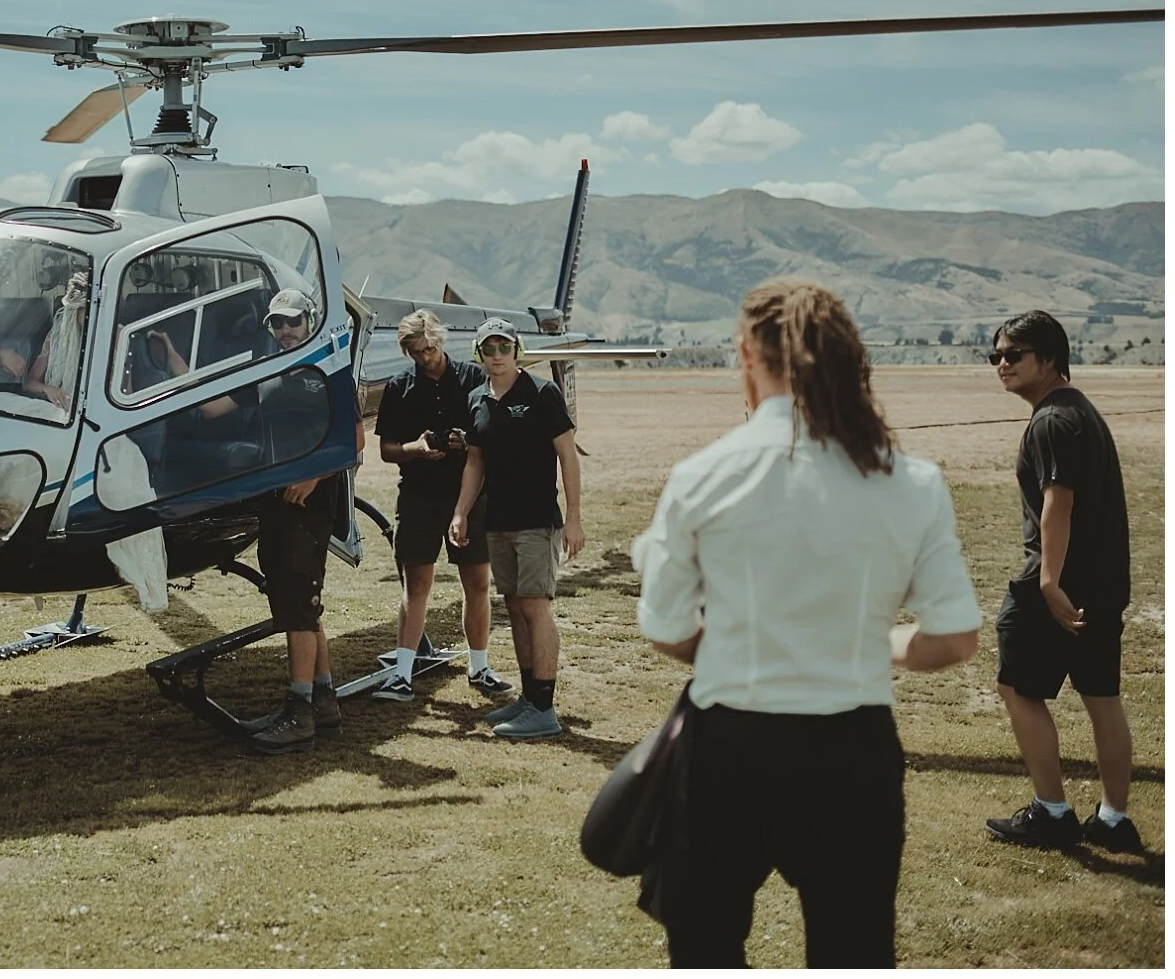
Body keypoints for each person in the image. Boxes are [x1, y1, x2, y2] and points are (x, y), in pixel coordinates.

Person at [631, 279, 981, 968]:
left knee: (704, 950)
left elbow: (666, 627)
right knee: (854, 951)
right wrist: (870, 643)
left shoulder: (703, 475)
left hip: (727, 747)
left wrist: (742, 645)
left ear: (745, 354)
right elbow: (955, 637)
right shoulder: (910, 481)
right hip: (853, 750)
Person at [983, 311, 1141, 852]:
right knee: (1102, 697)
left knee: (1016, 687)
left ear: (1049, 359)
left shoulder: (1052, 421)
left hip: (1056, 586)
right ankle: (1115, 820)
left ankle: (1051, 812)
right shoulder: (1081, 412)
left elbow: (1058, 505)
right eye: (996, 355)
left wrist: (1048, 582)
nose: (1002, 364)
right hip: (1102, 585)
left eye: (1014, 354)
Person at [246, 288, 365, 755]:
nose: (285, 330)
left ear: (310, 322)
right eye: (277, 323)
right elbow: (220, 410)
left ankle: (299, 715)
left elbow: (354, 440)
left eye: (293, 321)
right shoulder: (267, 372)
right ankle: (324, 700)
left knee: (299, 606)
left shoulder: (330, 372)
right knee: (298, 606)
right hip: (274, 505)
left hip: (309, 508)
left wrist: (314, 478)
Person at [371, 309, 511, 703]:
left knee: (477, 584)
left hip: (470, 497)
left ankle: (479, 667)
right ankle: (402, 675)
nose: (426, 358)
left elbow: (496, 436)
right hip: (418, 497)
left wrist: (467, 442)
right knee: (416, 585)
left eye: (429, 349)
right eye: (416, 352)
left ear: (440, 340)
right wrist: (414, 448)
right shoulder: (399, 387)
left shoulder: (474, 379)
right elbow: (387, 450)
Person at [449, 317, 580, 739]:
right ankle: (529, 696)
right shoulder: (476, 399)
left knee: (535, 607)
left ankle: (544, 709)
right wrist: (461, 512)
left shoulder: (542, 393)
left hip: (537, 520)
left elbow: (568, 455)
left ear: (517, 350)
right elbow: (475, 462)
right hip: (498, 521)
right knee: (516, 605)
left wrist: (574, 516)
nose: (497, 356)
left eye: (504, 347)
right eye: (489, 349)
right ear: (479, 355)